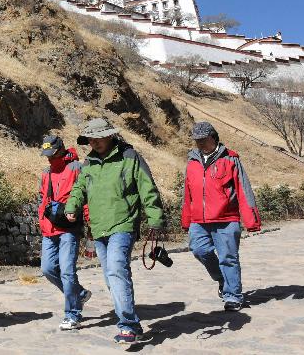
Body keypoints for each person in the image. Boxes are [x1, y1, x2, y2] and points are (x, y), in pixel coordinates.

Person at [65, 118, 165, 345]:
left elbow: (147, 188)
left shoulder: (130, 158)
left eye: (97, 138)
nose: (93, 142)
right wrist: (72, 206)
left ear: (109, 135)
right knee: (111, 275)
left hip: (124, 224)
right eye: (90, 139)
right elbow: (80, 187)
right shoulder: (88, 163)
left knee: (116, 270)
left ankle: (128, 325)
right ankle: (131, 321)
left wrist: (155, 218)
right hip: (98, 227)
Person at [181, 122, 261, 311]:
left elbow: (243, 189)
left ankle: (233, 296)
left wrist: (251, 220)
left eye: (203, 139)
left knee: (228, 258)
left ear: (213, 137)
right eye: (196, 140)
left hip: (226, 219)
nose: (199, 143)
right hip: (198, 220)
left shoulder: (231, 159)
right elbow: (187, 193)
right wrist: (186, 219)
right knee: (199, 250)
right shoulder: (192, 162)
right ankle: (222, 280)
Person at [37, 135, 92, 330]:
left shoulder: (76, 168)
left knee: (68, 271)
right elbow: (42, 197)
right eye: (46, 156)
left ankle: (73, 314)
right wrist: (42, 220)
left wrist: (88, 220)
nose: (49, 159)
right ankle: (79, 293)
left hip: (69, 228)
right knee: (48, 269)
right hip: (49, 228)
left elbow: (85, 195)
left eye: (51, 155)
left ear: (61, 150)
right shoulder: (46, 173)